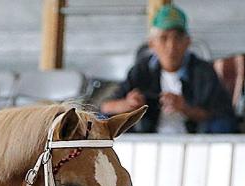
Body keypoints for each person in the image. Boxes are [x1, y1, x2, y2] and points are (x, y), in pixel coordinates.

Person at [99, 4, 236, 134]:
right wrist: (128, 105)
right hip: (148, 144)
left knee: (223, 124)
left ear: (187, 42)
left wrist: (185, 108)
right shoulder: (141, 71)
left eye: (177, 38)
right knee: (101, 121)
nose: (171, 46)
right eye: (164, 38)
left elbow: (223, 116)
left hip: (194, 145)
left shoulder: (203, 72)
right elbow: (105, 107)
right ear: (152, 44)